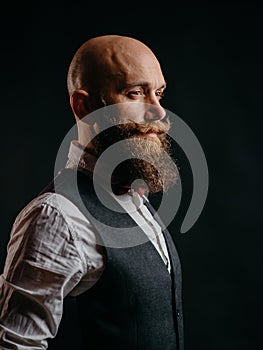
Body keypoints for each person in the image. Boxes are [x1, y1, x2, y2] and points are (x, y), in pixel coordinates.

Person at [0, 34, 184, 349]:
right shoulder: (56, 217)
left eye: (159, 94)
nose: (158, 114)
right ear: (84, 106)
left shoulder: (137, 198)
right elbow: (15, 344)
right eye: (136, 93)